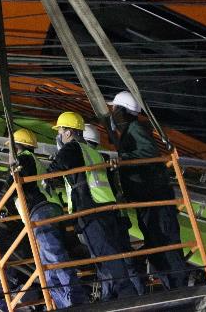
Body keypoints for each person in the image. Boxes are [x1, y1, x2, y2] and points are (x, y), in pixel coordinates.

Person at [48, 112, 145, 300]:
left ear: (68, 132)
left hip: (90, 210)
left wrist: (48, 180)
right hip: (106, 208)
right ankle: (112, 298)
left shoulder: (72, 148)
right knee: (108, 256)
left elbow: (56, 167)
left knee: (106, 256)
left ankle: (129, 297)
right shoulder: (94, 152)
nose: (59, 134)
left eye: (60, 130)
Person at [0, 128, 86, 308]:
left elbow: (12, 181)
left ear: (17, 147)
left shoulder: (24, 158)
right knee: (47, 266)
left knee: (53, 257)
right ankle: (63, 303)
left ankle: (75, 300)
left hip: (40, 210)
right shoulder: (34, 161)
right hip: (46, 210)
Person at [109, 91, 188, 290]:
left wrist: (123, 159)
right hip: (147, 199)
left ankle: (178, 288)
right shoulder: (128, 132)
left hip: (155, 197)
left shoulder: (134, 128)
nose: (112, 112)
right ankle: (172, 287)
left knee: (165, 243)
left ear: (123, 111)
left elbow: (149, 152)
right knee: (156, 245)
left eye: (114, 109)